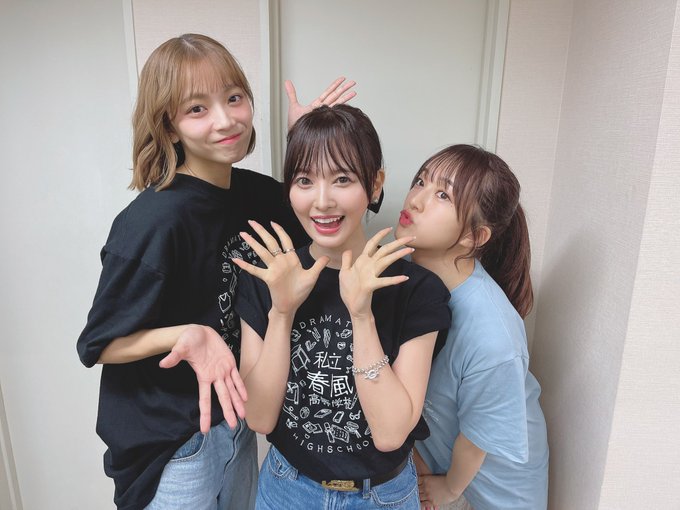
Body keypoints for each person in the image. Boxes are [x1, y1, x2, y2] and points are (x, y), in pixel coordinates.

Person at [76, 33, 355, 510]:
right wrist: (188, 335)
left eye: (234, 98)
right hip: (172, 445)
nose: (226, 120)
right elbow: (97, 345)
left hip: (236, 424)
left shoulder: (254, 194)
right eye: (197, 109)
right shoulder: (153, 223)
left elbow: (321, 212)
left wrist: (306, 143)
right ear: (168, 125)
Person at [232, 104, 451, 510]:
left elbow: (390, 434)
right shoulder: (266, 279)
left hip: (381, 497)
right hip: (286, 489)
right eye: (304, 180)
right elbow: (259, 418)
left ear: (375, 184)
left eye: (343, 179)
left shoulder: (416, 290)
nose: (322, 201)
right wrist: (282, 313)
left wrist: (361, 314)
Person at [395, 145, 549, 510]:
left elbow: (478, 439)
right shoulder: (405, 271)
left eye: (443, 195)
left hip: (492, 492)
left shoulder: (493, 334)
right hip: (438, 461)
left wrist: (449, 489)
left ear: (474, 237)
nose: (416, 199)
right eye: (421, 181)